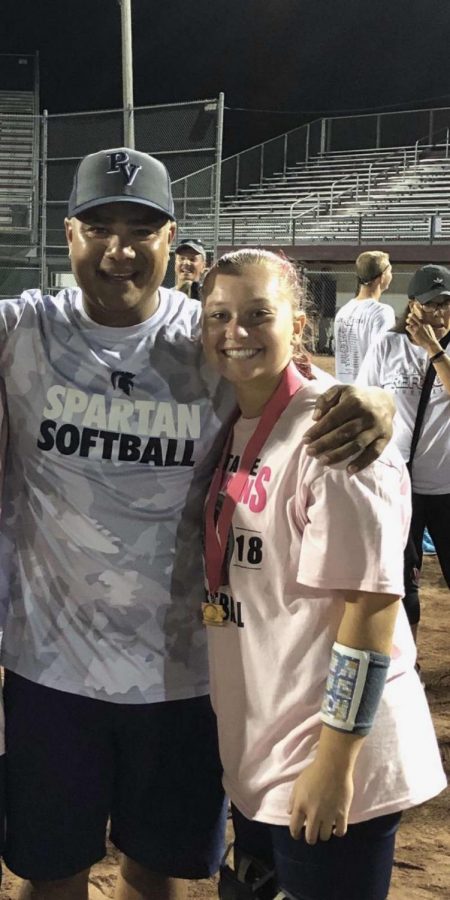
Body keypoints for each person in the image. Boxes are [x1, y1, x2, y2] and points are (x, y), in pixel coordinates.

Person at [0, 147, 397, 900]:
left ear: (172, 239)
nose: (121, 249)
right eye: (100, 227)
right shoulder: (22, 331)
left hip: (185, 676)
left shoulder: (209, 336)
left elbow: (305, 386)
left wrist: (381, 403)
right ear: (70, 236)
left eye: (141, 229)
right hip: (50, 670)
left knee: (162, 873)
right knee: (50, 875)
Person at [200, 249, 446, 900]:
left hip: (332, 756)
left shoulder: (335, 436)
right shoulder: (239, 422)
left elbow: (370, 607)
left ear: (299, 326)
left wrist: (335, 761)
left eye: (259, 314)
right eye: (219, 315)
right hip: (266, 748)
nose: (236, 331)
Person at [358, 264, 450, 644]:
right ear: (413, 306)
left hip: (446, 487)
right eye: (432, 305)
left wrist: (434, 349)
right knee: (402, 580)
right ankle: (409, 669)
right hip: (399, 487)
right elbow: (365, 402)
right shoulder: (388, 345)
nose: (441, 313)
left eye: (447, 303)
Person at [334, 250, 395, 383]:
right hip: (369, 395)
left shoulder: (343, 312)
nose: (391, 275)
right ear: (382, 276)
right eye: (390, 271)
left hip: (344, 392)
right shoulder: (382, 312)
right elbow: (384, 357)